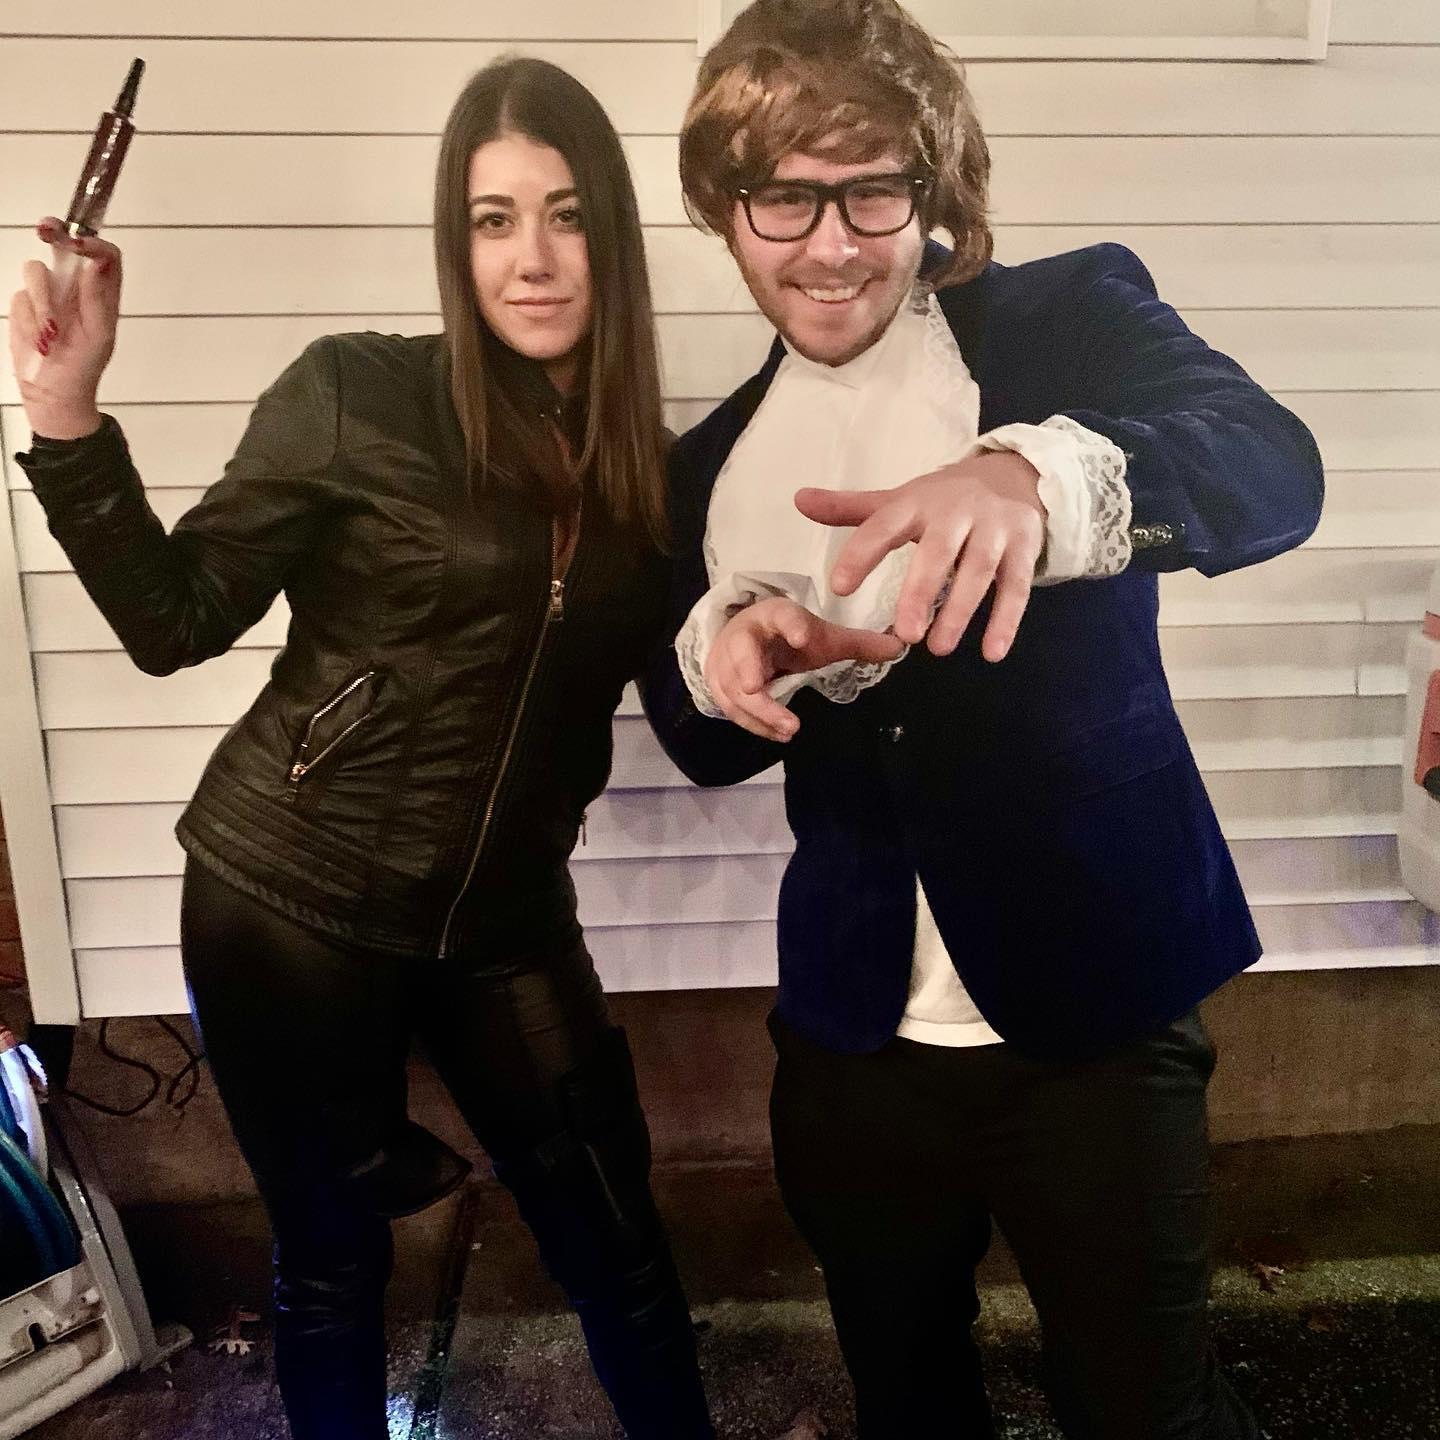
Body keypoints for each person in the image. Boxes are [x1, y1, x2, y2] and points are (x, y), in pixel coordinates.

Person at [642, 2, 1325, 1437]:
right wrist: (737, 652)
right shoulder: (704, 463)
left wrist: (1030, 480)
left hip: (1100, 1010)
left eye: (872, 191)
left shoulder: (1066, 321)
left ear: (932, 190)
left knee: (1148, 1413)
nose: (831, 245)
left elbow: (1274, 468)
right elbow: (699, 739)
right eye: (783, 198)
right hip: (853, 1042)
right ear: (724, 210)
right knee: (908, 1406)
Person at [9, 57, 715, 1440]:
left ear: (613, 238)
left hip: (505, 920)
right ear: (456, 242)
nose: (531, 258)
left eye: (566, 216)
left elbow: (694, 718)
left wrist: (792, 664)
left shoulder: (655, 477)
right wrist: (67, 417)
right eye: (493, 219)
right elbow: (173, 621)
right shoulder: (355, 393)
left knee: (619, 1240)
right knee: (331, 1266)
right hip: (291, 903)